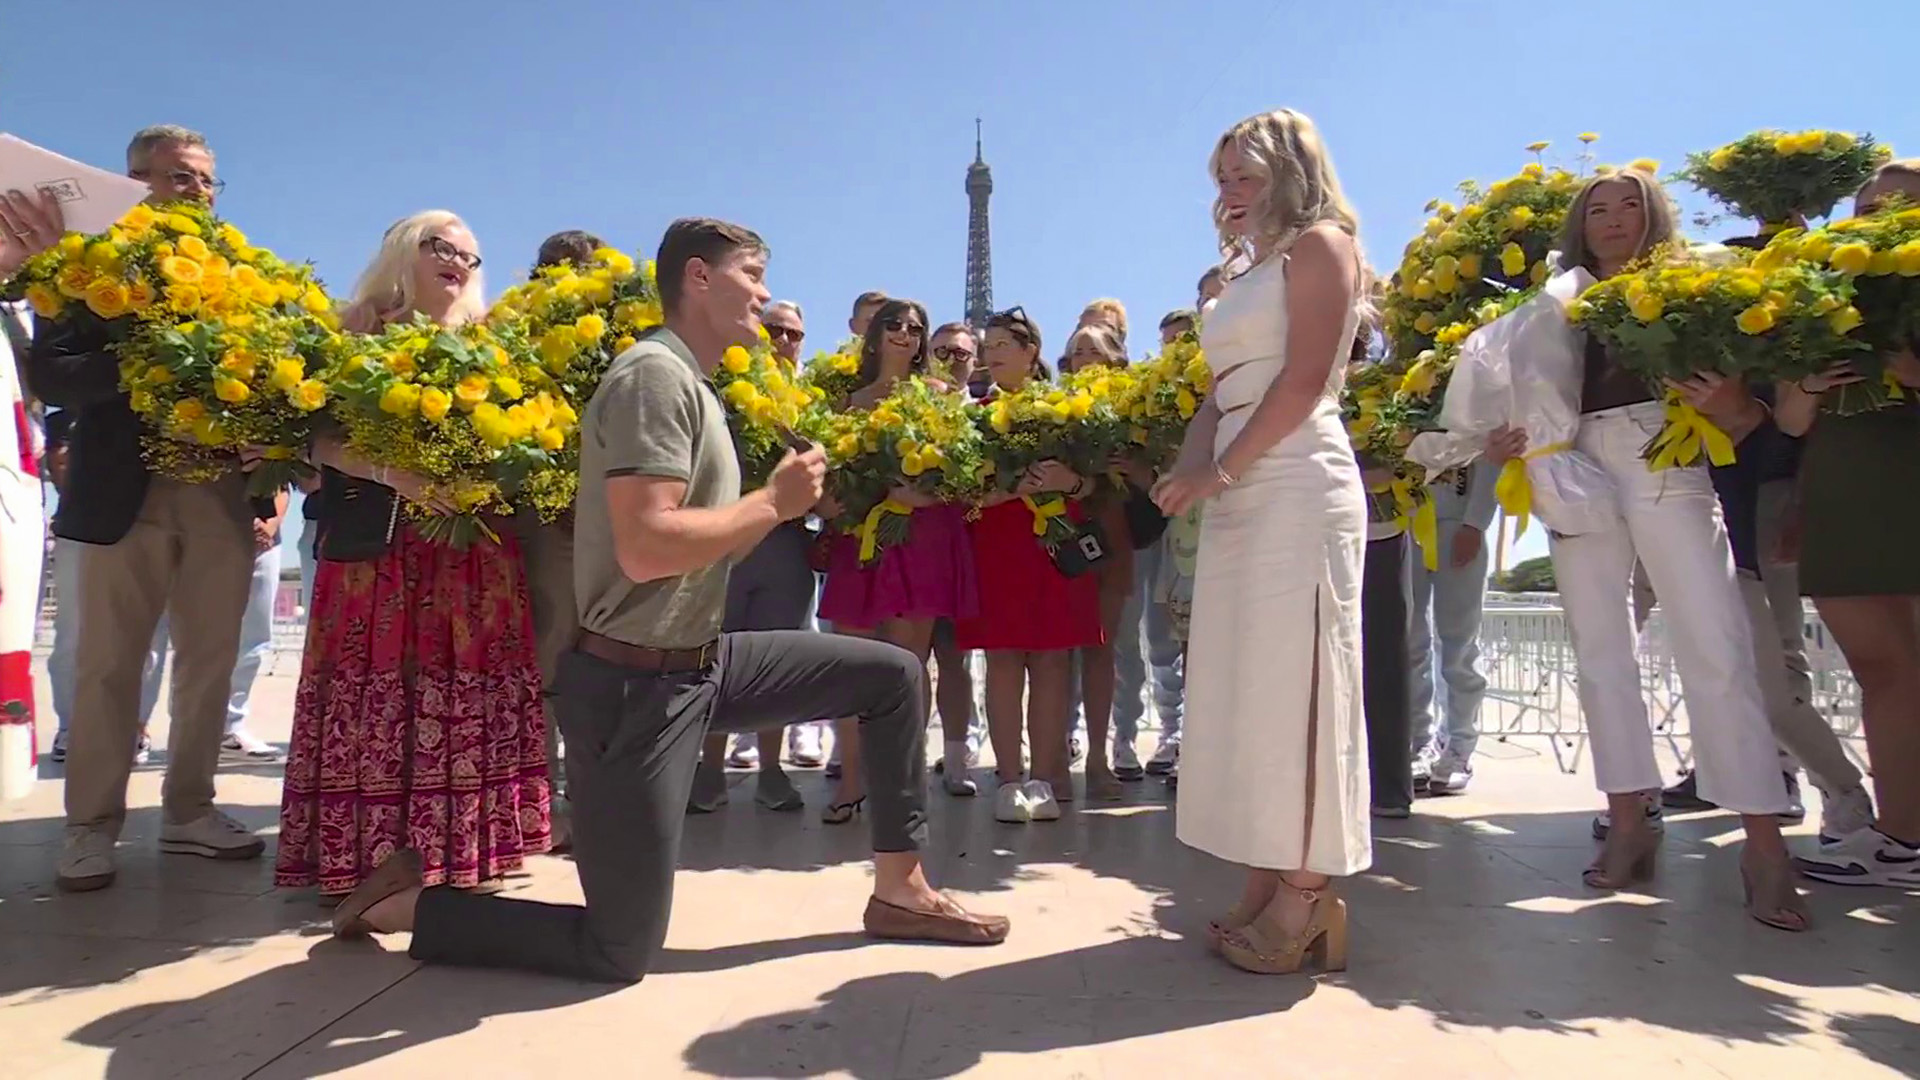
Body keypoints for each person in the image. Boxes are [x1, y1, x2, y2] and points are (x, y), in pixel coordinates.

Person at [329, 218, 1009, 982]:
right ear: (697, 278)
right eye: (752, 273)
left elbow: (702, 544)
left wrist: (788, 506)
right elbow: (647, 547)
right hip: (632, 686)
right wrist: (774, 505)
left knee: (892, 676)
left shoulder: (697, 385)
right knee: (618, 949)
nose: (764, 292)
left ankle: (901, 890)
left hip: (700, 663)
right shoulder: (652, 377)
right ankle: (411, 905)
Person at [1482, 167, 1806, 930]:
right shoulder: (1548, 305)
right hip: (1567, 461)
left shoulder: (1695, 284)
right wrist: (1502, 437)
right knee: (1599, 651)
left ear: (1655, 216)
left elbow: (1751, 398)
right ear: (1580, 224)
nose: (1615, 217)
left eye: (1631, 204)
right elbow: (1518, 392)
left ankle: (1764, 842)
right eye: (1599, 208)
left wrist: (1730, 402)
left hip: (1664, 451)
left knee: (1715, 643)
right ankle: (1629, 818)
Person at [1152, 108, 1371, 975]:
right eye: (1223, 179)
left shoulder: (1323, 244)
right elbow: (1222, 391)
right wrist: (1189, 466)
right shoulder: (1248, 268)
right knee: (1249, 691)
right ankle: (1266, 871)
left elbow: (1305, 378)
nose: (1230, 193)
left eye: (1246, 175)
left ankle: (1308, 897)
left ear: (1289, 171)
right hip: (1243, 482)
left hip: (1297, 480)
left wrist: (1222, 472)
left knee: (1304, 685)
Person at [275, 211, 550, 898]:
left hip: (471, 553)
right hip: (378, 550)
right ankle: (359, 859)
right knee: (372, 693)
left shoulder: (498, 347)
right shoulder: (359, 328)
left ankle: (461, 852)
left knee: (462, 690)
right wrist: (397, 474)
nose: (458, 262)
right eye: (441, 247)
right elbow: (310, 439)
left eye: (471, 255)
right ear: (404, 251)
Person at [29, 126, 265, 891]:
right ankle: (90, 827)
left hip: (218, 493)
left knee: (210, 664)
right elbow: (53, 375)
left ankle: (190, 811)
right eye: (175, 176)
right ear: (133, 181)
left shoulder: (243, 274)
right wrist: (147, 355)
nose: (193, 189)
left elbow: (276, 387)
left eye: (204, 178)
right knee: (107, 665)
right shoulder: (85, 264)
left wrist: (267, 493)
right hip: (118, 492)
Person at [1775, 160, 1920, 889]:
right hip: (1841, 487)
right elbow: (1792, 420)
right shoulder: (1825, 296)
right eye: (1864, 207)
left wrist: (1901, 360)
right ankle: (1900, 839)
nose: (1874, 217)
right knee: (1882, 672)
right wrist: (1808, 381)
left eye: (1894, 206)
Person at [815, 298, 980, 822]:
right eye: (895, 324)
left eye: (916, 328)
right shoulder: (845, 404)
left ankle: (905, 784)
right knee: (849, 664)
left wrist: (921, 496)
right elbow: (827, 475)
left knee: (909, 668)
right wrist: (831, 500)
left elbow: (963, 474)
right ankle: (853, 782)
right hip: (858, 540)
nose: (906, 333)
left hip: (922, 539)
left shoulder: (942, 396)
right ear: (875, 335)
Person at [953, 306, 1104, 823]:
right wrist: (1002, 492)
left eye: (1002, 346)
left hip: (1054, 548)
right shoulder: (972, 416)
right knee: (1002, 661)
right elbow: (961, 491)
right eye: (987, 346)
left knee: (1053, 661)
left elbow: (1097, 483)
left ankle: (1044, 777)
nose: (992, 355)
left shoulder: (1068, 410)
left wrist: (1071, 482)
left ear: (1030, 353)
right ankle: (1009, 778)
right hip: (998, 546)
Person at [694, 298, 820, 812]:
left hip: (787, 545)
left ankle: (772, 772)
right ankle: (710, 772)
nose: (784, 341)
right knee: (715, 656)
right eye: (775, 330)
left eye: (793, 334)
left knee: (776, 663)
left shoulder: (812, 400)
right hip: (728, 539)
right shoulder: (722, 388)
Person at [520, 228, 606, 851]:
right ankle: (543, 792)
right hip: (549, 519)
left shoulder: (621, 335)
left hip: (613, 517)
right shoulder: (522, 331)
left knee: (602, 655)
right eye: (567, 269)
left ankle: (591, 787)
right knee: (552, 652)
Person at [1058, 323, 1147, 800]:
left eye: (1094, 351)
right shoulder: (1047, 408)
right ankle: (1052, 761)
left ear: (1115, 359)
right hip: (1057, 532)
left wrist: (1129, 468)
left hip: (1110, 534)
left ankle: (1098, 757)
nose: (1084, 359)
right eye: (1076, 352)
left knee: (1100, 649)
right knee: (1053, 653)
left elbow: (1155, 478)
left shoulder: (1134, 410)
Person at [1408, 460, 1497, 796]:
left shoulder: (1473, 406)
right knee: (1410, 642)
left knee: (1459, 642)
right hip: (1405, 521)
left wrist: (1475, 523)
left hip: (1458, 523)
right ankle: (1419, 742)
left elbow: (1491, 459)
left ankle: (1459, 745)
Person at [925, 321, 986, 795]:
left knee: (955, 658)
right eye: (942, 350)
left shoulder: (987, 415)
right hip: (919, 542)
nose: (951, 359)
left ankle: (957, 755)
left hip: (969, 544)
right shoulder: (908, 409)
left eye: (961, 354)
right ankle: (906, 754)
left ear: (975, 361)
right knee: (908, 659)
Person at [221, 488, 287, 760]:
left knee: (254, 637)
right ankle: (141, 730)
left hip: (264, 537)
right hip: (203, 527)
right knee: (196, 639)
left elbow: (282, 483)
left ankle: (230, 728)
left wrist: (270, 525)